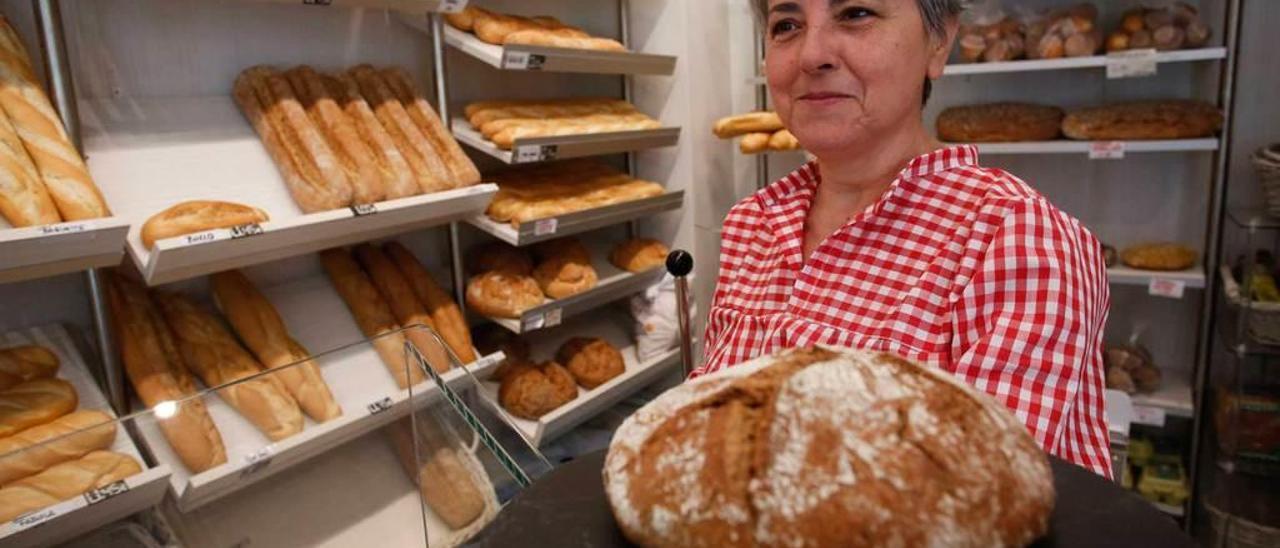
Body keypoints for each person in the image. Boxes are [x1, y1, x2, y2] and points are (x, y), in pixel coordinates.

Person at [701, 0, 1112, 477]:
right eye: (786, 25)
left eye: (856, 13)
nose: (811, 55)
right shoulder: (753, 224)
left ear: (939, 42)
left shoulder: (1016, 239)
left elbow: (975, 504)